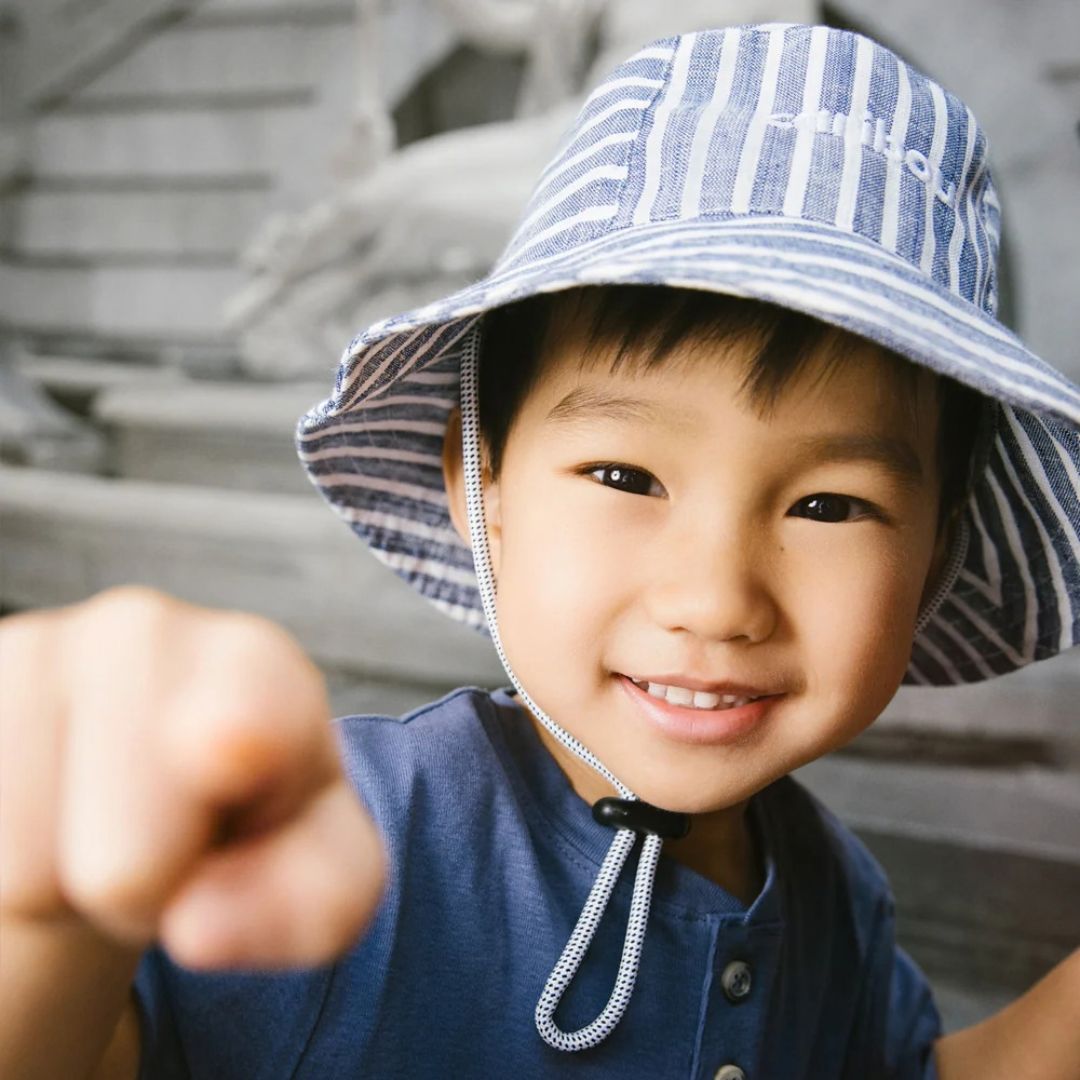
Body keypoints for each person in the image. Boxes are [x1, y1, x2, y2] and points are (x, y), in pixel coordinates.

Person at [2, 21, 1079, 1080]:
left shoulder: (833, 895)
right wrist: (49, 906)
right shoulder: (359, 834)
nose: (714, 599)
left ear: (937, 556)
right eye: (624, 476)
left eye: (830, 505)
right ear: (479, 486)